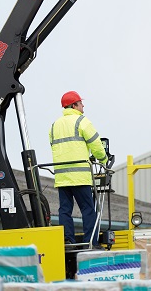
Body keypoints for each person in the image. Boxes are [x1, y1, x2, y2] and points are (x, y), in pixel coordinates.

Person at [49, 90, 107, 248]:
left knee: (65, 210)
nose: (83, 105)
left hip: (62, 178)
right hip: (80, 176)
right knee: (88, 209)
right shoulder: (82, 121)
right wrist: (104, 159)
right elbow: (96, 144)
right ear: (73, 105)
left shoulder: (54, 125)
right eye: (81, 103)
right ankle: (91, 242)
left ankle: (68, 240)